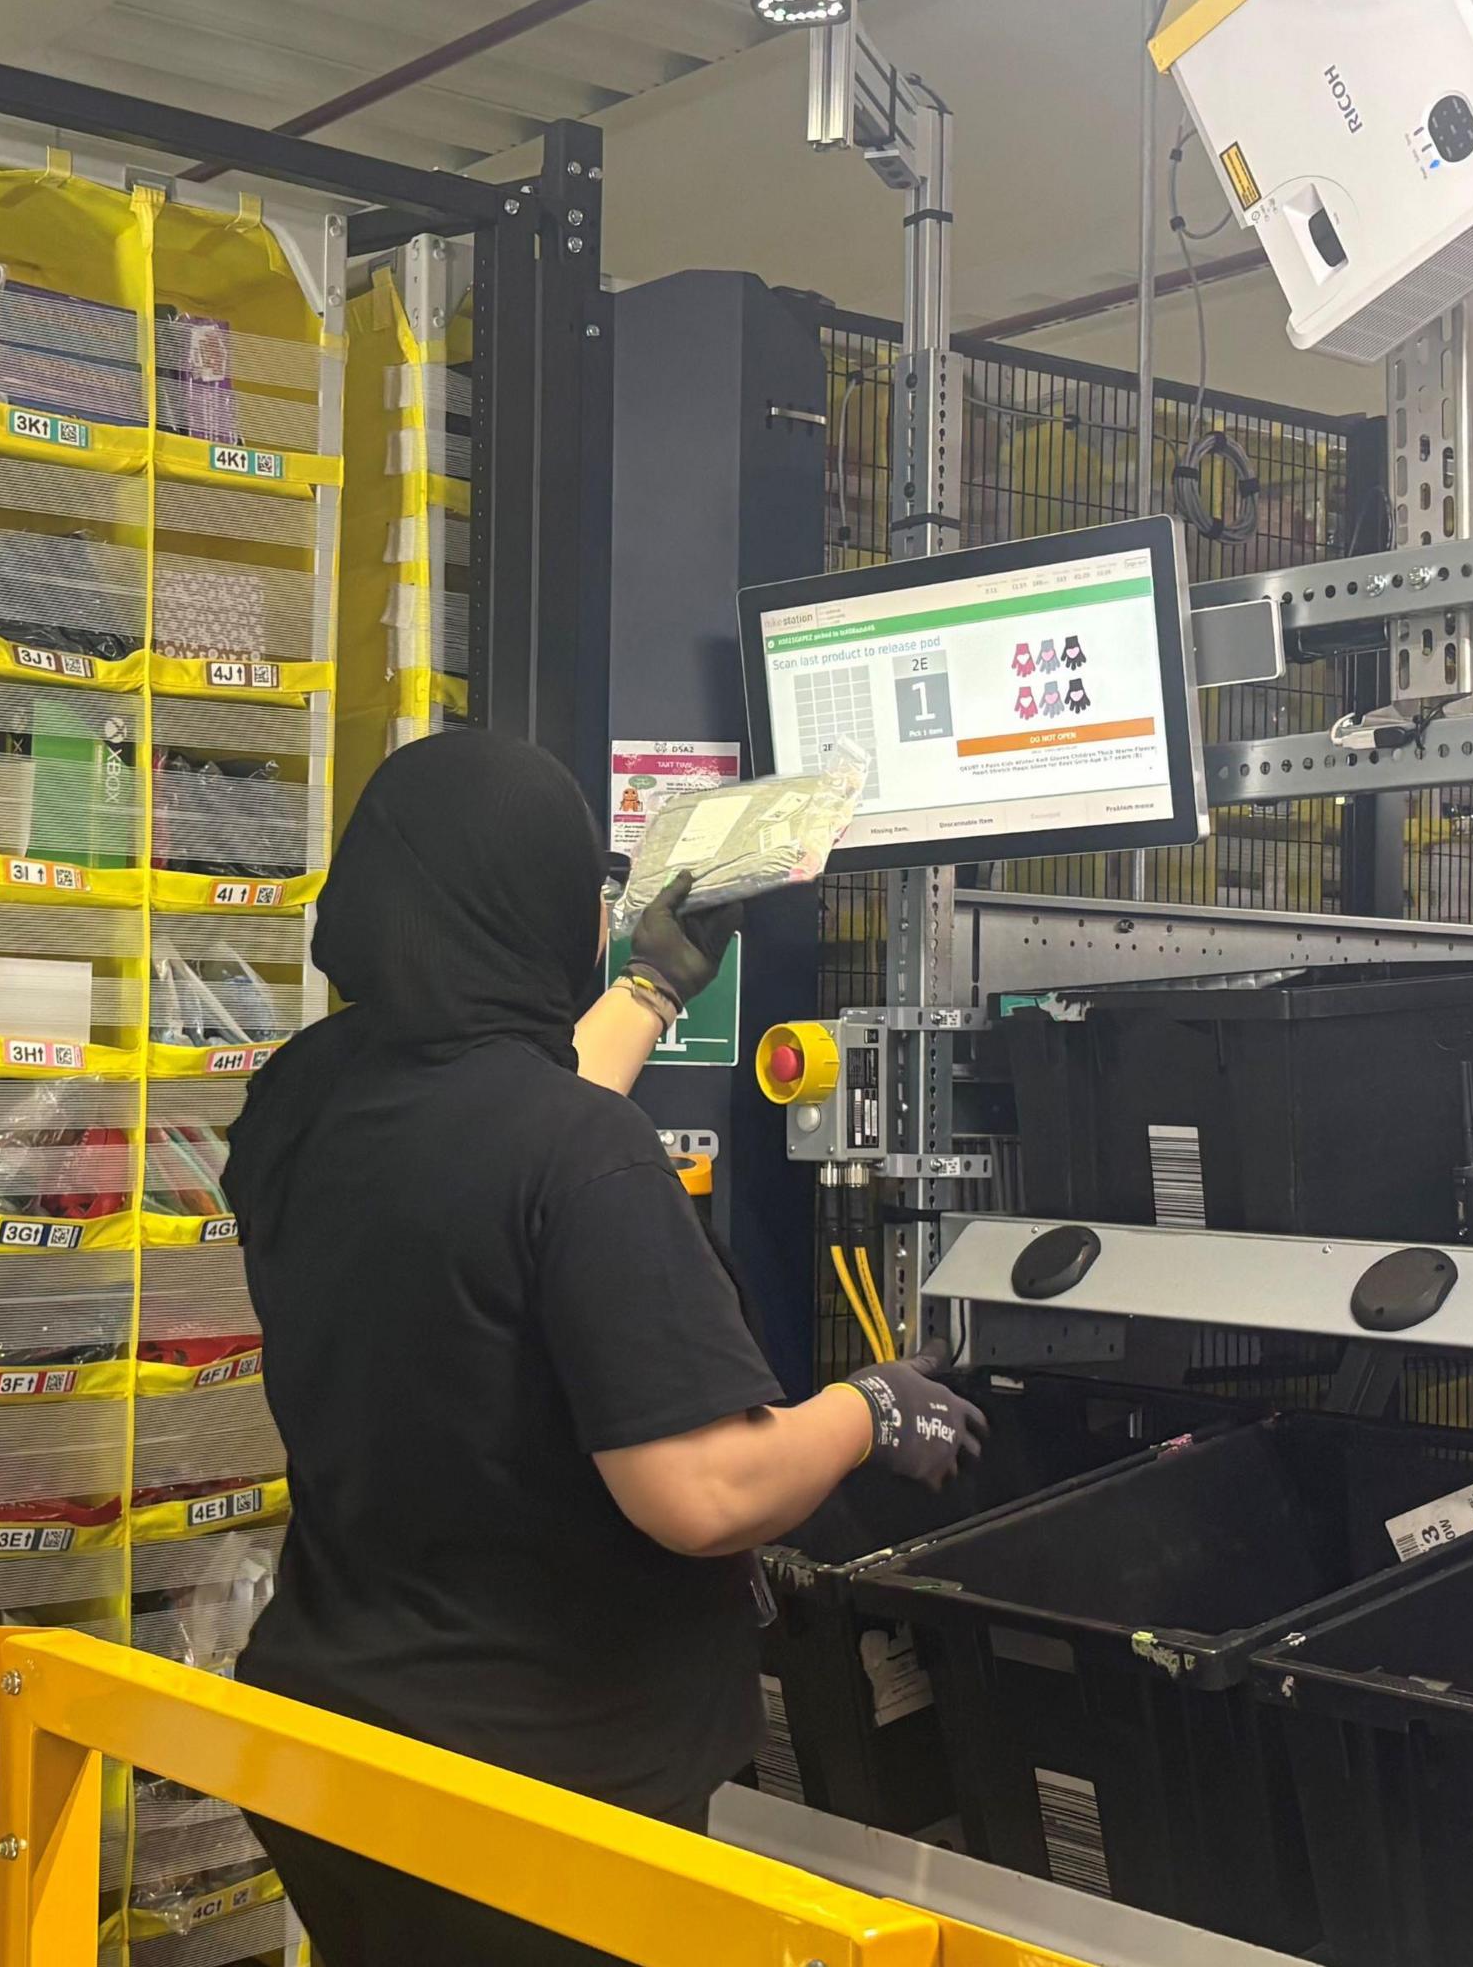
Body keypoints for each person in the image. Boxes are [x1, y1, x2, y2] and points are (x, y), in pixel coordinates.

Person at [224, 728, 986, 1965]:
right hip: (541, 1791)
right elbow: (702, 1492)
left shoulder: (302, 1093)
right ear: (543, 913)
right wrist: (872, 1409)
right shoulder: (584, 1160)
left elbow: (498, 1120)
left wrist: (651, 987)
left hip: (335, 1748)